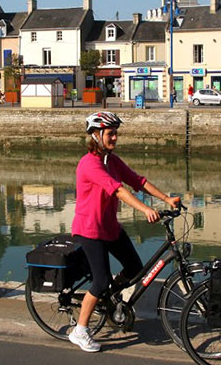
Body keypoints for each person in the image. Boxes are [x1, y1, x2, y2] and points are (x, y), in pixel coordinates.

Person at [68, 111, 180, 353]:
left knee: (135, 269)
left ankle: (108, 295)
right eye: (110, 134)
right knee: (100, 280)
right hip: (90, 229)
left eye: (116, 133)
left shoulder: (111, 161)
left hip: (110, 227)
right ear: (96, 136)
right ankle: (80, 330)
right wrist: (145, 209)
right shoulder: (89, 164)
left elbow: (137, 181)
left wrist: (166, 198)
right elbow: (118, 190)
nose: (115, 138)